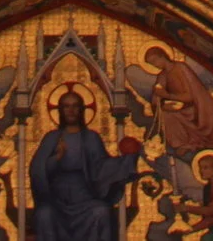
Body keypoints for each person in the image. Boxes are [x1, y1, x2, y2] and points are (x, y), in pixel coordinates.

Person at [27, 90, 141, 241]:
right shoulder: (52, 138)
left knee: (101, 211)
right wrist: (56, 158)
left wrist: (126, 161)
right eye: (66, 106)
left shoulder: (91, 138)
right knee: (44, 214)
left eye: (75, 106)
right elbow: (37, 170)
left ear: (82, 109)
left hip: (85, 197)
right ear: (60, 110)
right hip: (57, 199)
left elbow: (102, 167)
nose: (71, 110)